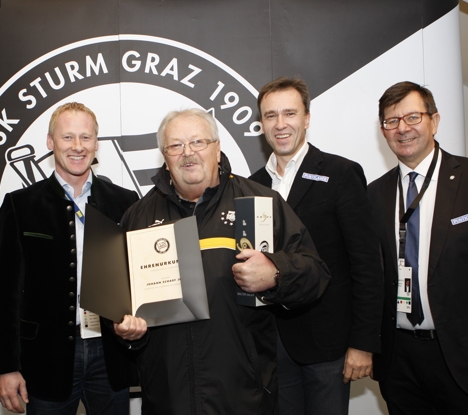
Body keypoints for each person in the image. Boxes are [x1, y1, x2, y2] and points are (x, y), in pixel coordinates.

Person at [112, 108, 331, 414]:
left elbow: (316, 274)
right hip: (167, 397)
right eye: (176, 146)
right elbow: (124, 308)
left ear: (217, 149)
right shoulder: (138, 217)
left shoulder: (258, 203)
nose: (188, 153)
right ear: (165, 156)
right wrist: (129, 333)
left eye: (198, 142)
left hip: (243, 395)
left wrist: (277, 274)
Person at [0, 102, 139, 414]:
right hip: (46, 357)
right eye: (67, 137)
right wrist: (6, 367)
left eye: (86, 138)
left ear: (96, 144)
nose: (77, 147)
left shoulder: (125, 202)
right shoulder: (20, 205)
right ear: (50, 142)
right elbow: (4, 294)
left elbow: (137, 278)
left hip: (109, 353)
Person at [249, 77, 383, 415]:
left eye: (289, 113)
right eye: (270, 116)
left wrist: (362, 344)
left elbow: (367, 264)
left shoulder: (340, 174)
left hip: (329, 345)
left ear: (306, 118)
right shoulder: (252, 185)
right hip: (273, 345)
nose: (280, 125)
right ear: (261, 123)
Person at [369, 81, 468, 414]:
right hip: (399, 361)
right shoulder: (373, 196)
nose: (402, 128)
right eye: (391, 121)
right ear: (383, 131)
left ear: (435, 121)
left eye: (412, 117)